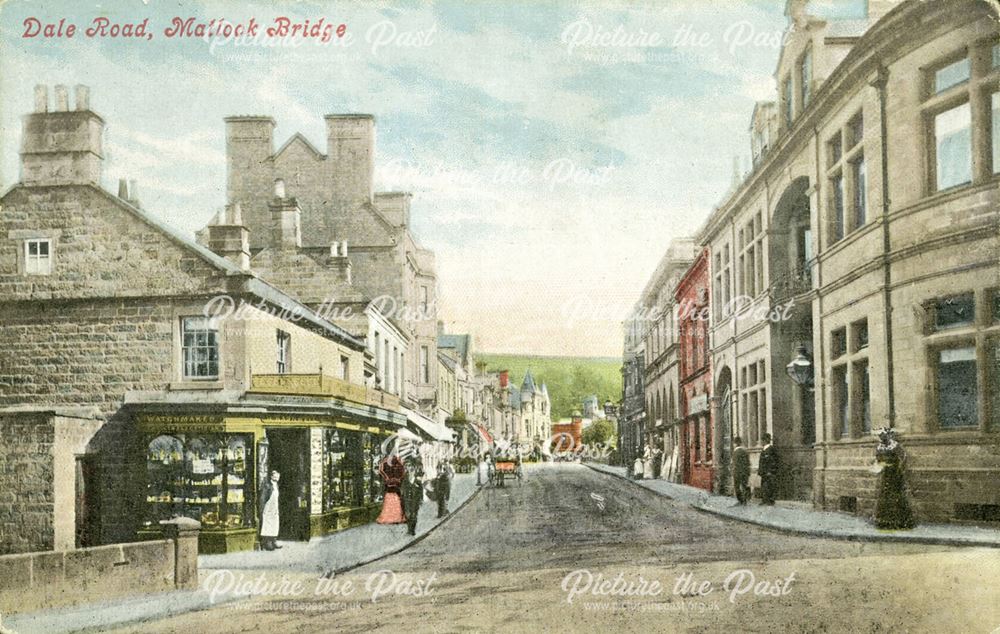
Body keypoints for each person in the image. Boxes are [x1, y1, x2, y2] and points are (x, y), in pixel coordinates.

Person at [376, 455, 407, 524]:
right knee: (395, 499)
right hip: (394, 484)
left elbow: (381, 470)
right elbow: (403, 471)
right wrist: (398, 479)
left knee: (391, 499)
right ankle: (397, 517)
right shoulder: (398, 462)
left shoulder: (386, 461)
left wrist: (387, 478)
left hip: (391, 484)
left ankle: (392, 517)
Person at [260, 470, 282, 551]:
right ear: (271, 476)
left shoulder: (276, 486)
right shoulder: (268, 486)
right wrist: (262, 508)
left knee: (275, 523)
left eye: (278, 476)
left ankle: (274, 540)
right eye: (275, 476)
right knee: (268, 524)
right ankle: (268, 542)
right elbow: (263, 498)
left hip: (274, 508)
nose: (277, 477)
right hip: (268, 508)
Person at [401, 464, 424, 536]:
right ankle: (409, 529)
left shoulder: (418, 482)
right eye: (409, 471)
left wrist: (421, 500)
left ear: (414, 472)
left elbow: (421, 491)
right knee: (407, 515)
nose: (411, 473)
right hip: (407, 501)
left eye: (412, 471)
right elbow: (402, 491)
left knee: (414, 516)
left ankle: (412, 530)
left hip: (415, 502)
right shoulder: (405, 481)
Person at [758, 433, 779, 505]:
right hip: (764, 472)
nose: (761, 442)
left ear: (766, 440)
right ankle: (764, 500)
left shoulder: (771, 449)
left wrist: (771, 471)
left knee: (770, 486)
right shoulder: (764, 449)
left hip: (768, 472)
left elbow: (774, 461)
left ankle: (770, 500)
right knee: (764, 486)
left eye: (762, 440)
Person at [731, 436, 751, 505]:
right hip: (745, 472)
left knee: (737, 487)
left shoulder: (735, 452)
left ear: (735, 443)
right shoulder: (745, 451)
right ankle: (745, 500)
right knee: (744, 486)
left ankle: (740, 500)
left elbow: (735, 464)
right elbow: (748, 462)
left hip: (737, 472)